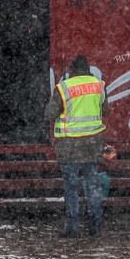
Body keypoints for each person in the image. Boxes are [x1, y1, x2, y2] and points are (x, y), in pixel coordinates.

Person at [45, 55, 108, 238]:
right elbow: (105, 111)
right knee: (93, 186)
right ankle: (96, 226)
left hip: (69, 147)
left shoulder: (64, 88)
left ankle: (72, 228)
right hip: (92, 145)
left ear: (71, 70)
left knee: (71, 188)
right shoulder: (99, 85)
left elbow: (49, 114)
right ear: (88, 68)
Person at [0, 0, 49, 143]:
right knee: (14, 95)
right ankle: (14, 128)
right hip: (13, 61)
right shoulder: (8, 10)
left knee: (30, 95)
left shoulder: (37, 10)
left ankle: (29, 127)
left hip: (31, 61)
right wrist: (23, 36)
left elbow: (42, 35)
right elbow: (5, 36)